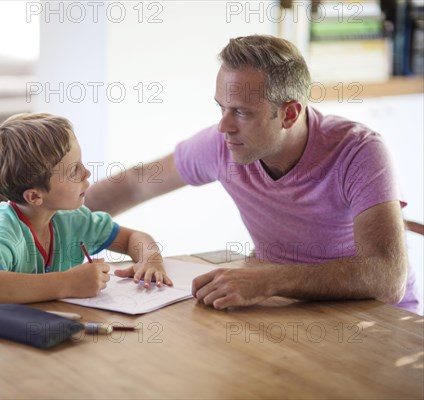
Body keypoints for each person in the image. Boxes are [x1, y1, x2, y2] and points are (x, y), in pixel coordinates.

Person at [85, 35, 421, 314]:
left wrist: (268, 280)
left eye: (241, 112)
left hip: (377, 320)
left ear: (289, 113)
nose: (224, 126)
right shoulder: (224, 143)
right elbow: (136, 184)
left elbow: (386, 278)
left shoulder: (359, 150)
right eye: (221, 108)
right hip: (283, 308)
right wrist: (49, 220)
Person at [0, 113, 172, 306]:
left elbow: (132, 237)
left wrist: (150, 260)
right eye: (74, 170)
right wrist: (68, 283)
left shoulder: (70, 218)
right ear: (35, 196)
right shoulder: (2, 233)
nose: (87, 173)